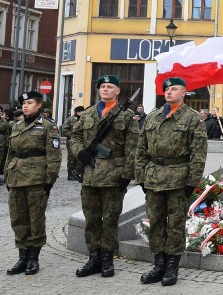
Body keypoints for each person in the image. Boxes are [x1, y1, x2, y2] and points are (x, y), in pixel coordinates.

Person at [136, 77, 207, 287]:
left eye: (173, 89)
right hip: (154, 177)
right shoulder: (152, 117)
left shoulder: (193, 118)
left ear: (183, 93)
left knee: (175, 224)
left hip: (178, 178)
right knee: (155, 222)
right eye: (166, 89)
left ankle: (172, 267)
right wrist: (141, 177)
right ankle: (158, 264)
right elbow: (141, 149)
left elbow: (198, 154)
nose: (168, 92)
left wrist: (191, 182)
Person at [70, 74, 139, 279]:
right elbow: (75, 137)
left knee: (109, 219)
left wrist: (127, 175)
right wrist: (79, 151)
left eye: (110, 87)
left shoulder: (126, 116)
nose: (105, 89)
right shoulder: (88, 114)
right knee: (91, 219)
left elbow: (132, 148)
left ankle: (107, 259)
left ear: (118, 91)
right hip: (90, 175)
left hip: (113, 176)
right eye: (102, 86)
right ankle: (93, 258)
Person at [5, 90, 61, 276]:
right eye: (24, 103)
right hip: (16, 177)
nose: (25, 106)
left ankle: (33, 258)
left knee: (35, 218)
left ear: (39, 105)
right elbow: (11, 153)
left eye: (29, 103)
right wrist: (7, 174)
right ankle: (22, 257)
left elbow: (54, 156)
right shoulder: (17, 126)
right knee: (18, 219)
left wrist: (49, 180)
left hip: (36, 178)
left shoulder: (47, 126)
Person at [62, 105, 85, 180]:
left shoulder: (84, 119)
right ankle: (70, 174)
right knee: (71, 158)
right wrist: (73, 135)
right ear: (78, 112)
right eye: (82, 111)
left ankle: (78, 172)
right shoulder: (70, 119)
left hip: (82, 141)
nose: (83, 112)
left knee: (80, 157)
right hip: (71, 141)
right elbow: (64, 131)